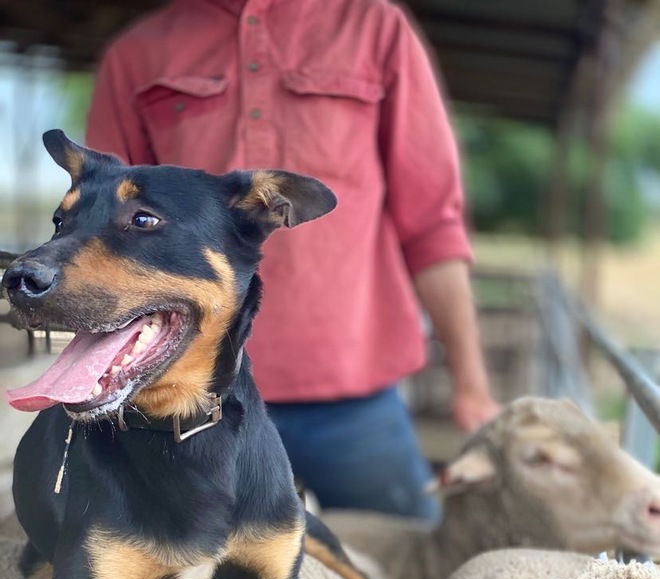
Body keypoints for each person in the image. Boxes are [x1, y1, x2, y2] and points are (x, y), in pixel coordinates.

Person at [85, 0, 500, 521]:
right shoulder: (137, 54)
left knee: (411, 571)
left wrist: (472, 387)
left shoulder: (374, 28)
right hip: (192, 401)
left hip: (354, 399)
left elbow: (433, 224)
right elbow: (102, 236)